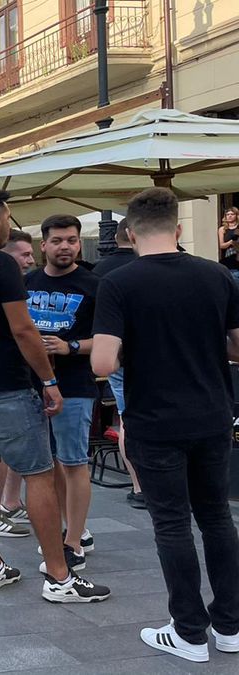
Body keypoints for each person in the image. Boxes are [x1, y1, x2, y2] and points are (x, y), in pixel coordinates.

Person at [0, 189, 109, 603]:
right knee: (39, 476)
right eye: (8, 217)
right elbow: (24, 329)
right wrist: (48, 382)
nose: (9, 224)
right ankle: (61, 578)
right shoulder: (1, 265)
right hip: (5, 387)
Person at [91, 187, 239, 662]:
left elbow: (102, 362)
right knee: (217, 517)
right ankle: (231, 628)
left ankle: (189, 632)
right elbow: (238, 346)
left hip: (154, 419)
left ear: (129, 234)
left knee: (171, 522)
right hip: (213, 413)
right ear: (177, 229)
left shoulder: (119, 283)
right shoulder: (217, 275)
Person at [27, 215, 100, 572]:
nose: (65, 247)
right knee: (45, 465)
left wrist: (69, 346)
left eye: (71, 240)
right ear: (43, 245)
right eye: (57, 240)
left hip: (74, 386)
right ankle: (54, 531)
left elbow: (107, 341)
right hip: (29, 386)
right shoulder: (26, 283)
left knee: (73, 461)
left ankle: (74, 540)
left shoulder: (93, 284)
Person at [91, 219, 144, 508]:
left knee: (127, 417)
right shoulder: (146, 267)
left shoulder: (102, 270)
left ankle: (137, 485)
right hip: (150, 357)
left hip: (116, 356)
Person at [0, 228, 35, 538]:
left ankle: (7, 503)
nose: (31, 260)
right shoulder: (0, 285)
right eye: (25, 254)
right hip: (4, 380)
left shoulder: (24, 283)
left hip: (17, 378)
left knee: (12, 450)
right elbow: (21, 331)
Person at [218, 206, 239, 282]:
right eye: (227, 214)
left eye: (232, 214)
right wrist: (231, 242)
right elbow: (221, 245)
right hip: (228, 259)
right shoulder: (222, 229)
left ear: (236, 215)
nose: (229, 216)